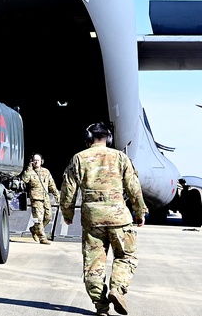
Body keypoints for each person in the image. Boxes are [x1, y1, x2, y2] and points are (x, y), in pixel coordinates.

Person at [60, 122, 147, 316]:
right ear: (108, 139)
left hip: (92, 220)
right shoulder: (120, 157)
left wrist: (67, 214)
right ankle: (117, 288)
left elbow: (68, 190)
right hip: (119, 218)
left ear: (88, 138)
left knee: (93, 265)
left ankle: (101, 307)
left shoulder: (79, 159)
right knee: (125, 257)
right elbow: (134, 187)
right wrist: (140, 212)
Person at [19, 153, 59, 244]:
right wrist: (29, 168)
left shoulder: (46, 172)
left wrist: (57, 195)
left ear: (42, 161)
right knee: (38, 219)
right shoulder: (30, 172)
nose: (36, 162)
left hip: (45, 198)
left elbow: (51, 184)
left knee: (48, 217)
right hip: (36, 199)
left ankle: (34, 229)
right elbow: (24, 180)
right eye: (34, 160)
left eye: (38, 160)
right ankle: (42, 238)